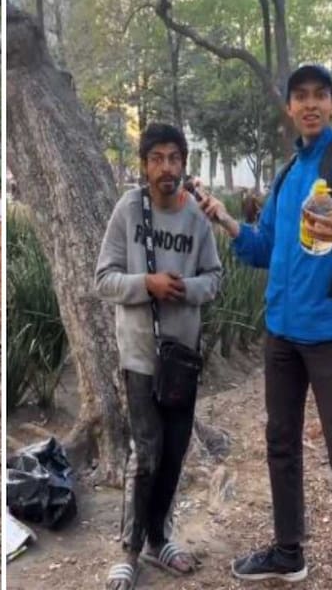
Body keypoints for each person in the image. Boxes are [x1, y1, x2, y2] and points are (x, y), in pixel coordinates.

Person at [200, 64, 332, 583]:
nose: (310, 104)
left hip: (327, 335)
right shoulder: (285, 174)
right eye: (300, 96)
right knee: (281, 442)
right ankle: (288, 551)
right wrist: (226, 220)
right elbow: (263, 248)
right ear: (289, 109)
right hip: (280, 334)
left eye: (320, 94)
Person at [94, 123, 222, 590]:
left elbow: (215, 278)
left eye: (174, 158)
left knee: (173, 455)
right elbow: (103, 278)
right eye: (157, 158)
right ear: (144, 164)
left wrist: (185, 289)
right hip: (141, 357)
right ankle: (127, 551)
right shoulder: (130, 210)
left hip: (183, 360)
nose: (167, 168)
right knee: (145, 455)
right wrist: (144, 284)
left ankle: (159, 538)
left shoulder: (196, 219)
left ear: (183, 163)